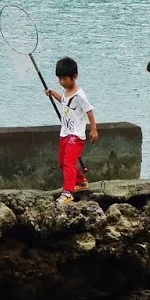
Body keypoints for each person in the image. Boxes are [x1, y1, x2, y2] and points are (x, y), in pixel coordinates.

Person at [45, 56, 97, 204]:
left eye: (65, 79)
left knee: (69, 162)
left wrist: (93, 129)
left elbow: (89, 111)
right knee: (62, 163)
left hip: (76, 136)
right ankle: (81, 182)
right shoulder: (65, 90)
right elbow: (64, 101)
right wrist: (53, 93)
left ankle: (68, 192)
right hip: (65, 133)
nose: (62, 82)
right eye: (60, 79)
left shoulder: (80, 95)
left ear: (74, 77)